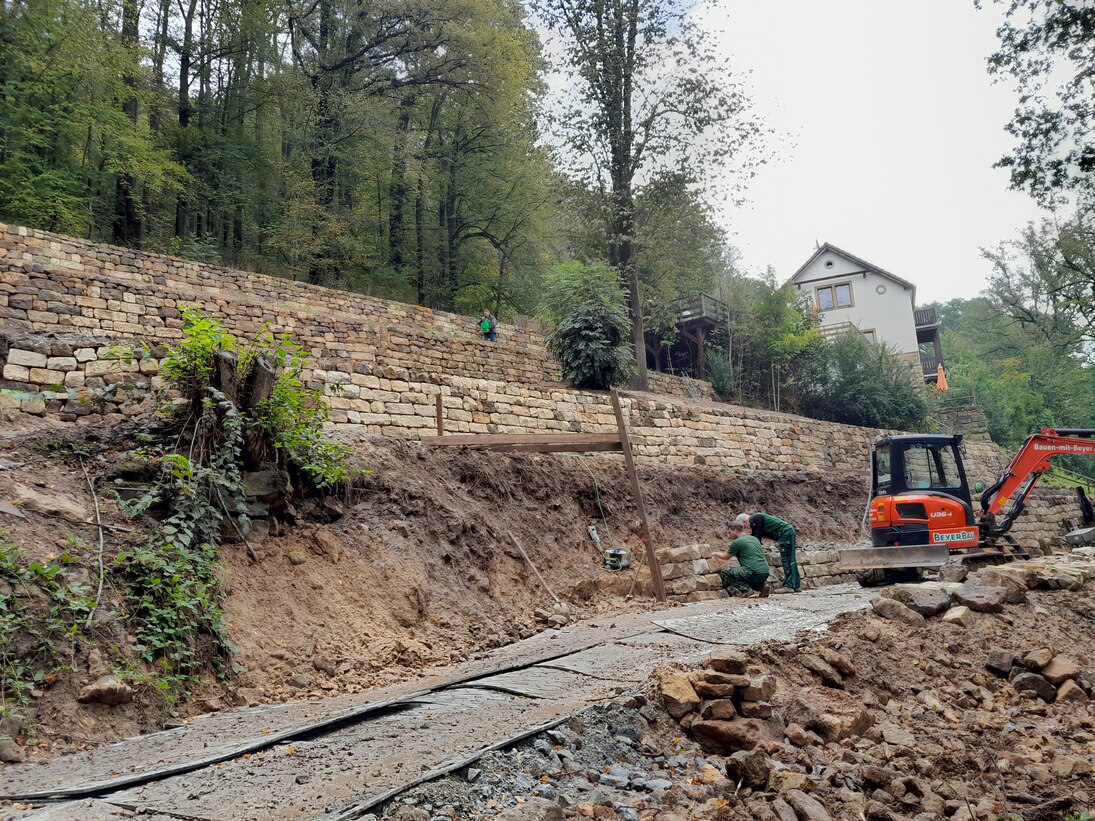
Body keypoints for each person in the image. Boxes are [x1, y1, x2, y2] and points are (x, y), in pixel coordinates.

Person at [736, 511, 802, 593]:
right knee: (790, 559)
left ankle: (789, 586)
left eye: (744, 526)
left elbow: (757, 538)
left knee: (787, 559)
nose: (746, 528)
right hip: (786, 532)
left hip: (785, 533)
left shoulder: (756, 518)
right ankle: (796, 585)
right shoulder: (756, 520)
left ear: (745, 522)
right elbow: (755, 536)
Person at [711, 520, 770, 597]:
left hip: (752, 572)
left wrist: (715, 553)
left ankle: (746, 590)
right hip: (765, 571)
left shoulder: (737, 542)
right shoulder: (754, 539)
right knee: (747, 576)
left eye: (730, 532)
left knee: (726, 571)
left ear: (735, 531)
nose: (729, 535)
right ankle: (762, 587)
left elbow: (726, 557)